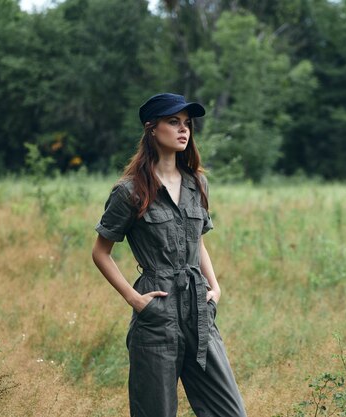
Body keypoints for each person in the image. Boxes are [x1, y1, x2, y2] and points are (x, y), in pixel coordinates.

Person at [92, 93, 247, 417]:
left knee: (229, 412)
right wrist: (136, 300)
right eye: (173, 122)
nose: (184, 130)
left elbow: (198, 242)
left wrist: (215, 288)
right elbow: (101, 252)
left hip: (198, 308)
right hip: (157, 312)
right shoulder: (130, 190)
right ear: (151, 128)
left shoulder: (196, 183)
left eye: (187, 124)